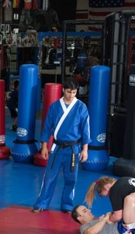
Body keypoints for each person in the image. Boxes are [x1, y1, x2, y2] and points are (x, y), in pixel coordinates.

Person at [32, 78, 91, 214]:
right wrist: (45, 146)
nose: (71, 95)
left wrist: (85, 149)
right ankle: (42, 203)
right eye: (69, 92)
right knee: (49, 176)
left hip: (73, 149)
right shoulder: (55, 106)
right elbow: (47, 127)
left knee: (71, 178)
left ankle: (67, 205)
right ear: (63, 90)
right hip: (56, 148)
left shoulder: (81, 107)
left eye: (74, 92)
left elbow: (85, 130)